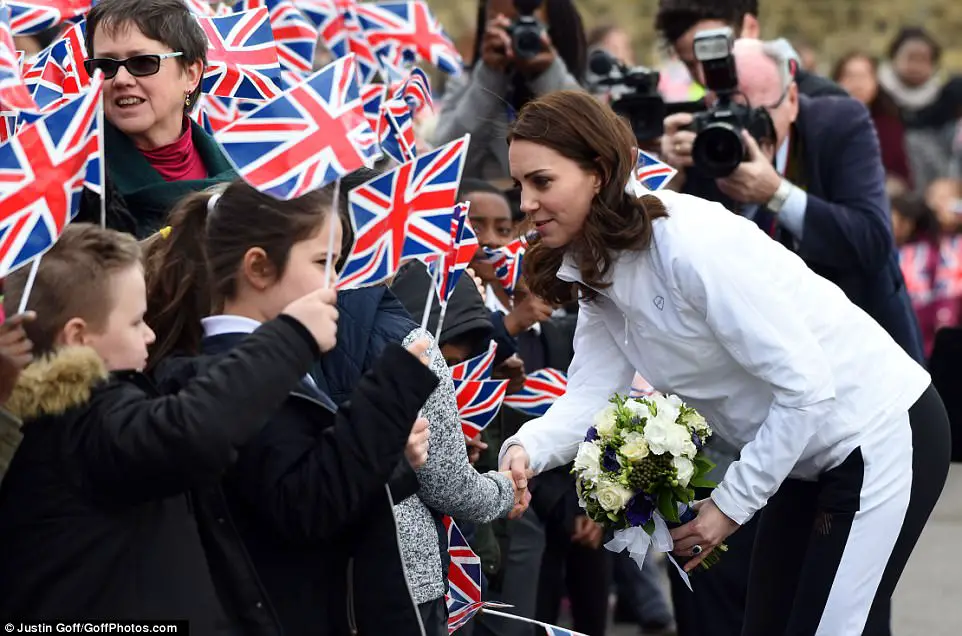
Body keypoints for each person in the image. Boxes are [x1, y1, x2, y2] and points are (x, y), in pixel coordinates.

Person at [497, 90, 952, 636]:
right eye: (519, 184)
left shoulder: (688, 241)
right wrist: (528, 448)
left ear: (598, 172)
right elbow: (592, 394)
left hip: (880, 432)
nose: (524, 203)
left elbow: (806, 386)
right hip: (802, 456)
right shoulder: (593, 265)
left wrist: (729, 506)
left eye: (541, 182)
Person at [145, 179, 514, 636]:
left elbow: (313, 476)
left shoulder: (264, 365)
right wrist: (384, 404)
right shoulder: (235, 376)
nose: (338, 283)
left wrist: (394, 455)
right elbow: (308, 506)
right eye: (324, 263)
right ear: (258, 268)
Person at [0, 223, 344, 625]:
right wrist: (293, 337)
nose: (149, 334)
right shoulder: (84, 422)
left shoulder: (72, 417)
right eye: (134, 322)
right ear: (78, 336)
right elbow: (193, 432)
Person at [76, 0, 236, 237]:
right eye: (105, 66)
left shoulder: (244, 180)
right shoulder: (79, 183)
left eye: (142, 63)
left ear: (191, 74)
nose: (121, 80)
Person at [432, 0, 587, 180]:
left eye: (532, 25)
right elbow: (442, 164)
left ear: (557, 26)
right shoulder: (464, 82)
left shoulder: (589, 79)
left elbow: (593, 147)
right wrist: (489, 78)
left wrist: (549, 76)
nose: (519, 34)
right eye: (506, 25)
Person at [653, 0, 846, 100]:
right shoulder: (690, 119)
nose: (704, 79)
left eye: (714, 58)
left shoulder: (825, 104)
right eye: (691, 66)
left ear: (750, 28)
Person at [833, 52, 914, 189]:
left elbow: (903, 177)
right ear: (837, 82)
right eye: (850, 76)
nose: (858, 84)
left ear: (875, 82)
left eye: (864, 76)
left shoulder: (890, 125)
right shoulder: (824, 123)